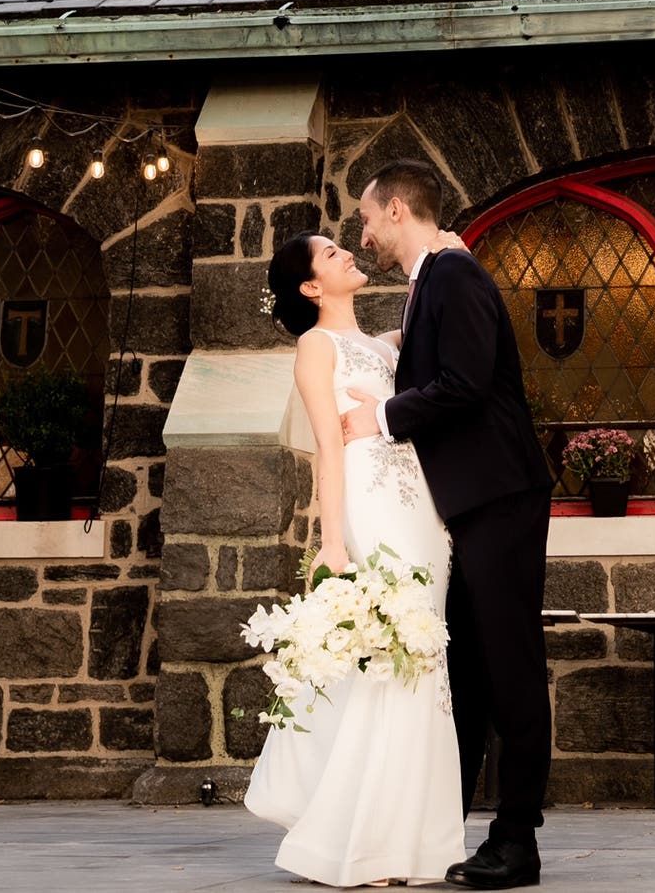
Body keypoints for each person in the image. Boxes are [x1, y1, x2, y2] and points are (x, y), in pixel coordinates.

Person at [340, 159, 555, 891]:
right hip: (466, 504)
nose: (363, 233)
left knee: (510, 664)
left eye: (367, 217)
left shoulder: (455, 277)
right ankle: (444, 829)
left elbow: (464, 385)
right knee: (466, 668)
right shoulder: (435, 277)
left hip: (501, 494)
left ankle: (518, 839)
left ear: (398, 210)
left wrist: (383, 415)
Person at [243, 231, 463, 886]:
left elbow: (427, 328)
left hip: (421, 509)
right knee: (390, 656)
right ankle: (363, 841)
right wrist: (332, 542)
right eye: (330, 253)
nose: (345, 253)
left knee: (424, 659)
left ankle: (411, 839)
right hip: (371, 505)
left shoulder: (385, 346)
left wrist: (448, 252)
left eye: (344, 245)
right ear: (310, 287)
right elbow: (328, 451)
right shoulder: (315, 347)